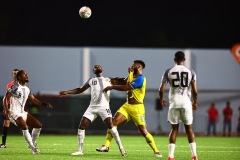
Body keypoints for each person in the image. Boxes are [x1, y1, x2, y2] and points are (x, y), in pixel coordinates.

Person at [96, 60, 162, 158]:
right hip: (127, 106)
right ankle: (106, 146)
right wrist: (111, 79)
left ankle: (156, 151)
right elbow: (124, 81)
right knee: (113, 123)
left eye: (134, 64)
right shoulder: (132, 75)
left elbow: (127, 87)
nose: (132, 65)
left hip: (138, 109)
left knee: (143, 131)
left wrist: (112, 87)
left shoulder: (141, 79)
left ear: (139, 66)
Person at [59, 65, 127, 156]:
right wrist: (66, 92)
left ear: (102, 69)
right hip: (92, 107)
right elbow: (80, 90)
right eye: (95, 67)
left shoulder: (109, 79)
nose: (97, 66)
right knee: (81, 126)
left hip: (104, 107)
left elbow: (124, 81)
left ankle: (122, 149)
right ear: (94, 71)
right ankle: (80, 150)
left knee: (111, 127)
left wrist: (130, 74)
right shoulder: (91, 80)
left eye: (98, 66)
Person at [159, 51, 198, 160]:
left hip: (174, 102)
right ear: (184, 59)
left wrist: (161, 99)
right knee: (189, 129)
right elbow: (195, 91)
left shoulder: (169, 71)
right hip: (186, 101)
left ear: (174, 59)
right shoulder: (191, 71)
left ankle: (171, 156)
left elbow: (161, 89)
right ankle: (194, 155)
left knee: (174, 129)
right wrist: (195, 102)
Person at [3, 70, 53, 154]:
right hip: (14, 113)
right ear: (19, 77)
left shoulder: (27, 88)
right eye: (24, 74)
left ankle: (32, 143)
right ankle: (33, 148)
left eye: (26, 74)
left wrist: (44, 104)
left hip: (23, 113)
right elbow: (5, 98)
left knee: (38, 126)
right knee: (24, 126)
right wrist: (7, 110)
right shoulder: (14, 87)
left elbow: (33, 99)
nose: (27, 75)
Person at [1, 69, 19, 148]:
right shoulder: (10, 84)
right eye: (14, 73)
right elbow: (7, 97)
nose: (15, 75)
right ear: (12, 75)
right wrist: (6, 107)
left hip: (19, 107)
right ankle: (3, 143)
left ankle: (31, 142)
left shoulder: (22, 84)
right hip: (10, 106)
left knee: (24, 124)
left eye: (16, 73)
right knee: (6, 123)